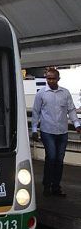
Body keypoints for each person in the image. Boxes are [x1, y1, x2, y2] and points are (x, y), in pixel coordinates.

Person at [31, 68, 81, 197]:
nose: (50, 80)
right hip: (48, 131)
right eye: (48, 78)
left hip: (62, 131)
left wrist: (77, 124)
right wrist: (35, 130)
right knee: (51, 157)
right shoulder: (41, 94)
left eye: (53, 78)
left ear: (58, 79)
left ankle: (56, 187)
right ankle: (47, 185)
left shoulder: (65, 93)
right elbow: (36, 112)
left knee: (59, 160)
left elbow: (71, 110)